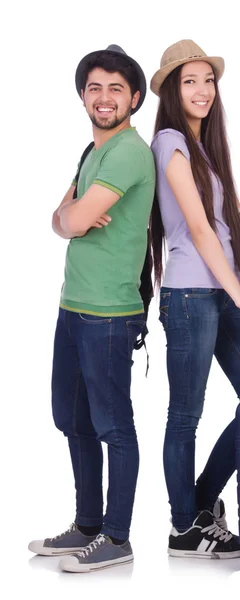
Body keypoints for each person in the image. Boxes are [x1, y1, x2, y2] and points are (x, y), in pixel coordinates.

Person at [150, 39, 240, 559]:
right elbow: (203, 231)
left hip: (226, 293)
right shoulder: (169, 141)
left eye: (208, 80)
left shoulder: (210, 147)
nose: (203, 90)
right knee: (185, 416)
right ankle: (183, 527)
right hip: (190, 295)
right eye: (190, 81)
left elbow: (237, 223)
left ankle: (204, 501)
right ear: (172, 90)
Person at [28, 45, 155, 572]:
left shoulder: (128, 151)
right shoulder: (92, 150)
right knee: (72, 419)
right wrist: (69, 215)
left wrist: (72, 216)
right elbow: (60, 219)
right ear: (83, 96)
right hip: (72, 305)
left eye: (116, 89)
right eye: (95, 88)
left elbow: (72, 221)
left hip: (108, 314)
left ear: (135, 98)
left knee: (112, 426)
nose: (104, 98)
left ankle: (116, 537)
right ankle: (86, 525)